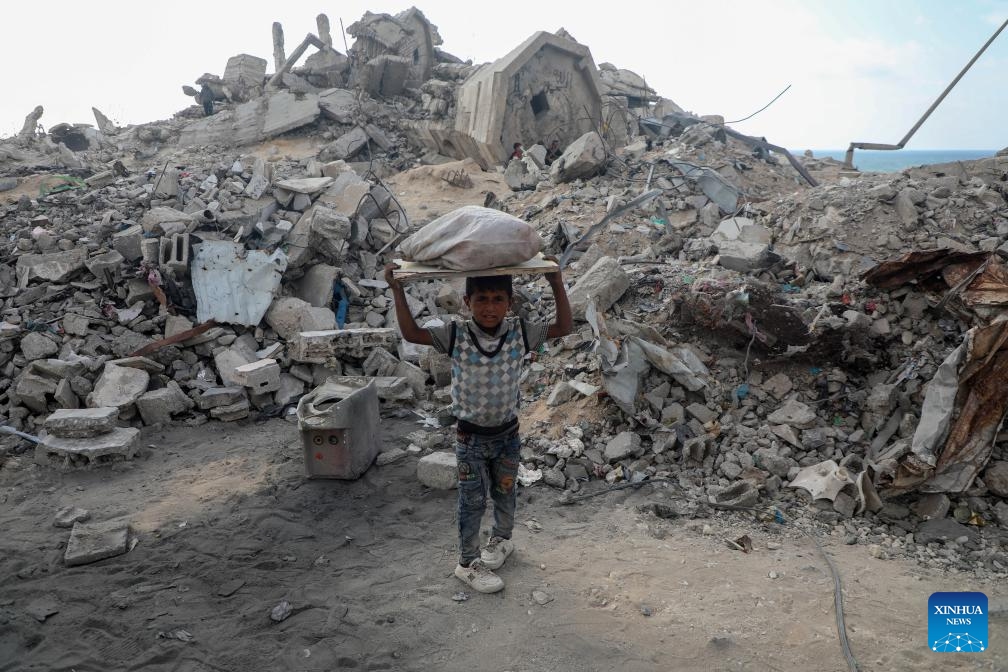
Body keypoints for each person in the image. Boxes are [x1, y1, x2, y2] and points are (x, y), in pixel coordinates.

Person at [384, 261, 572, 593]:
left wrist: (556, 282)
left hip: (508, 436)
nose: (489, 307)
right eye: (481, 299)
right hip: (470, 438)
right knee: (471, 502)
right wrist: (397, 289)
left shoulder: (519, 332)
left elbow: (564, 327)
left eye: (497, 299)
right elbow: (411, 334)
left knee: (505, 493)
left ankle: (501, 540)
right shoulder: (456, 334)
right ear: (467, 302)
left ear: (509, 302)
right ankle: (467, 563)